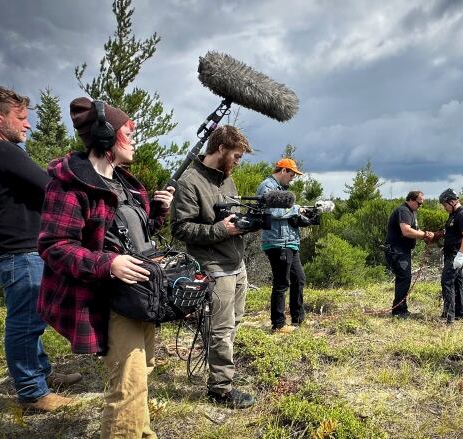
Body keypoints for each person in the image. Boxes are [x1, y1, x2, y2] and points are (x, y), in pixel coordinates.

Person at [37, 97, 174, 437]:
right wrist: (108, 263)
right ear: (106, 135)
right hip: (109, 298)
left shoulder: (126, 184)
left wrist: (156, 212)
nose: (136, 139)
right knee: (126, 383)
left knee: (141, 370)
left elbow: (132, 237)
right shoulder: (71, 183)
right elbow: (54, 245)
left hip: (140, 294)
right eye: (130, 131)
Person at [0, 85, 81, 412]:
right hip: (18, 252)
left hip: (22, 251)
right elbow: (49, 186)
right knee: (26, 321)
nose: (27, 124)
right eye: (21, 117)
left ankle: (41, 374)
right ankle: (32, 392)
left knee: (34, 317)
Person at [170, 125, 256, 409]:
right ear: (221, 149)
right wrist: (220, 231)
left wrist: (244, 224)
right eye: (236, 156)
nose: (238, 162)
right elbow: (180, 229)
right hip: (214, 265)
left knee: (234, 323)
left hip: (236, 262)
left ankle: (221, 367)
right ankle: (220, 389)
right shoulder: (189, 182)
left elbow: (232, 218)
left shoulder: (227, 181)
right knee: (221, 328)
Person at [256, 158, 315, 333]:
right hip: (277, 242)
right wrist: (296, 210)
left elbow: (285, 211)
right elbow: (271, 211)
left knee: (299, 279)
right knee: (281, 283)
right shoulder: (267, 187)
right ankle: (278, 324)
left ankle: (297, 319)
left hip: (290, 242)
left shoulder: (281, 189)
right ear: (283, 171)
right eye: (292, 174)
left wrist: (300, 212)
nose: (293, 178)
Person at [384, 191, 435, 318]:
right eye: (419, 203)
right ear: (411, 200)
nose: (420, 206)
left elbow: (413, 231)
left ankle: (401, 309)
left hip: (402, 251)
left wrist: (424, 234)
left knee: (404, 279)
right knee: (404, 279)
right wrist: (424, 235)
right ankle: (399, 311)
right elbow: (406, 231)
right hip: (398, 251)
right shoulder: (404, 211)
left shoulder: (410, 212)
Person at [438, 189, 463, 323]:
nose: (444, 208)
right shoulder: (453, 215)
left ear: (452, 202)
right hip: (451, 253)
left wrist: (460, 255)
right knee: (459, 283)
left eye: (445, 205)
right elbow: (449, 232)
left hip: (456, 254)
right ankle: (460, 312)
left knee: (447, 281)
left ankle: (449, 316)